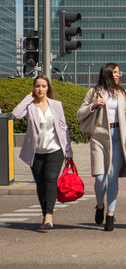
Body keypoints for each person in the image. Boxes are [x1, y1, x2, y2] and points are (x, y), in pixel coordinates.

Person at [77, 63, 126, 231]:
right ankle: (100, 205)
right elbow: (79, 114)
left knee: (112, 176)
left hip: (118, 137)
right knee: (100, 177)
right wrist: (93, 105)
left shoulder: (123, 94)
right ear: (108, 73)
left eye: (119, 72)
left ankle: (110, 213)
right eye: (115, 72)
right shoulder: (93, 92)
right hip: (99, 136)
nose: (118, 75)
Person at [12, 74, 73, 230]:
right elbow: (15, 114)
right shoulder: (30, 106)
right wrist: (27, 98)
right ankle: (44, 211)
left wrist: (68, 151)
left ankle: (48, 216)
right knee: (40, 184)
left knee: (50, 179)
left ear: (48, 88)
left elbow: (63, 128)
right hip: (36, 151)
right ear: (34, 88)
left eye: (43, 86)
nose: (40, 89)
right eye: (37, 86)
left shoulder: (56, 105)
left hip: (55, 149)